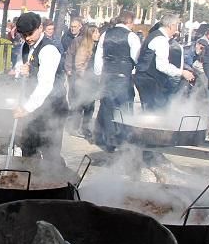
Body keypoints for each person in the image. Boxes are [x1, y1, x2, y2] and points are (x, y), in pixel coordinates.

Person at [12, 12, 68, 163]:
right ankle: (29, 180)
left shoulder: (49, 49)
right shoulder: (26, 46)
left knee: (50, 151)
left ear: (40, 28)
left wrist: (26, 108)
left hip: (53, 106)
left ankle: (58, 182)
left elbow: (45, 84)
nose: (27, 38)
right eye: (24, 35)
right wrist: (20, 70)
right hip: (35, 105)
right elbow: (22, 66)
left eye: (30, 33)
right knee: (28, 147)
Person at [93, 11, 141, 152]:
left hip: (107, 76)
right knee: (124, 109)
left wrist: (98, 74)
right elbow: (137, 58)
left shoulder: (105, 34)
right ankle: (123, 140)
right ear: (129, 22)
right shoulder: (132, 37)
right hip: (123, 77)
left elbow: (99, 58)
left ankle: (109, 141)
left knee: (108, 108)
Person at [134, 14, 195, 111]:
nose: (176, 30)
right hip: (151, 80)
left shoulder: (152, 36)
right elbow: (162, 66)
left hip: (143, 78)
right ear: (171, 26)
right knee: (155, 113)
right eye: (176, 26)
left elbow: (138, 57)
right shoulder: (161, 40)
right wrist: (182, 72)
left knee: (148, 111)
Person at [66, 24, 100, 138]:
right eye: (95, 32)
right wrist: (84, 78)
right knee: (79, 105)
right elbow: (79, 64)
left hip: (91, 81)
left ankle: (85, 128)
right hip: (83, 82)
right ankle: (75, 128)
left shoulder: (95, 46)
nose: (98, 34)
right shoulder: (85, 47)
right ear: (90, 34)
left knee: (90, 107)